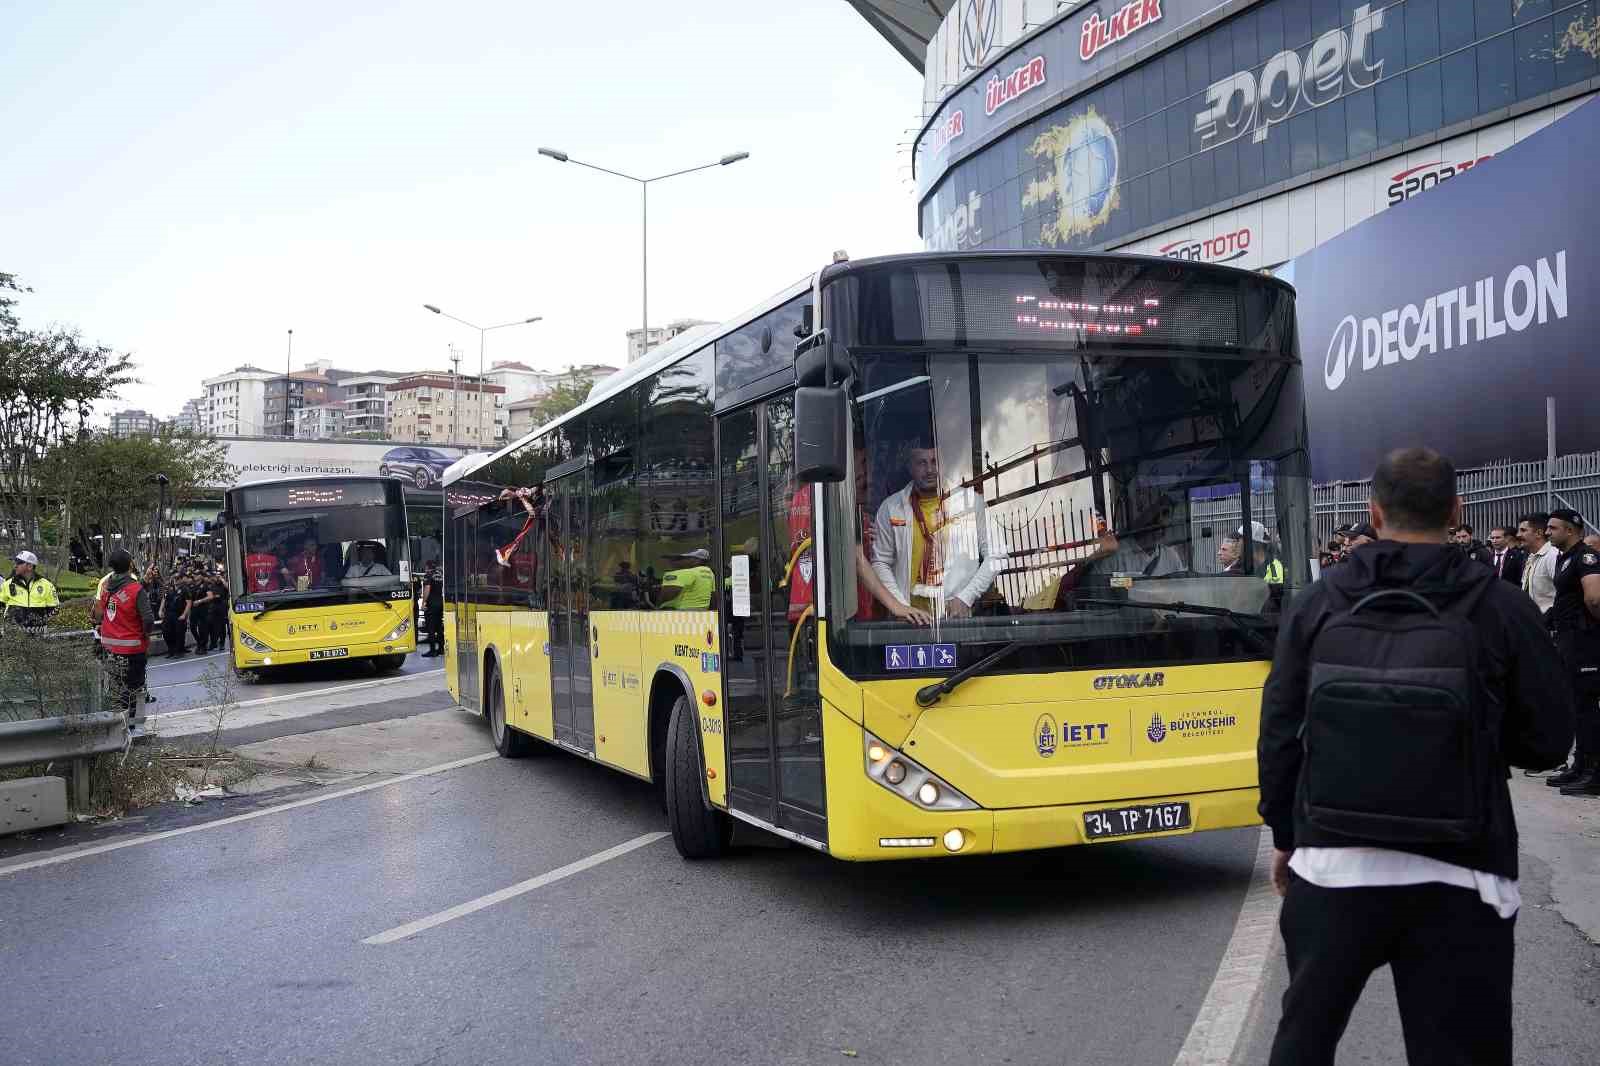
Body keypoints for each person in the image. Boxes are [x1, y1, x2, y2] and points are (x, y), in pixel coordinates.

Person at [1258, 448, 1573, 1066]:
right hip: (1464, 870)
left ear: (1373, 513)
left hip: (1332, 863)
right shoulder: (1500, 606)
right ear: (1456, 511)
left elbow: (1279, 730)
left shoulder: (1318, 603)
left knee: (1303, 1043)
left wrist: (1286, 834)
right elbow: (1546, 741)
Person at [871, 438, 995, 619]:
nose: (930, 469)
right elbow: (880, 562)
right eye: (921, 463)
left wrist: (966, 597)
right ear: (910, 467)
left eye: (934, 461)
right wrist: (901, 606)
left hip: (957, 619)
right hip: (908, 621)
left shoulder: (970, 503)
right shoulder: (890, 508)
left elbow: (996, 555)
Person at [1544, 508, 1600, 798]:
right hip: (1569, 640)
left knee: (1587, 704)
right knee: (1577, 704)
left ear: (1569, 530)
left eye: (1553, 528)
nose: (1547, 532)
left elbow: (1595, 598)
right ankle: (1581, 765)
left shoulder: (1585, 557)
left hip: (1585, 641)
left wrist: (1591, 629)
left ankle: (1595, 772)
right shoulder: (1564, 558)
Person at [96, 548, 156, 727]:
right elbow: (148, 619)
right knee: (134, 688)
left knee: (117, 688)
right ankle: (131, 726)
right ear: (130, 564)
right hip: (133, 649)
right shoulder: (135, 589)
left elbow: (102, 612)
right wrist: (145, 634)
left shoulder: (106, 587)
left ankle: (118, 724)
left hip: (110, 649)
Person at [1, 551, 61, 630]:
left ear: (30, 566)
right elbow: (1, 605)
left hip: (37, 634)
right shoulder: (7, 584)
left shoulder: (47, 585)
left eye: (19, 563)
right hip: (12, 633)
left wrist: (39, 622)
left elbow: (54, 609)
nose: (15, 566)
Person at [1518, 512, 1558, 617]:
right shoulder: (1531, 557)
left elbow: (1563, 593)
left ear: (1539, 533)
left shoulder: (1552, 556)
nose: (1518, 535)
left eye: (1523, 530)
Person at [159, 571, 191, 657]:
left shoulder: (184, 589)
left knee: (179, 633)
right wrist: (160, 610)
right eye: (174, 579)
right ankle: (171, 650)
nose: (175, 580)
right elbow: (164, 599)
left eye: (177, 579)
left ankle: (179, 651)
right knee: (166, 632)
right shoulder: (169, 589)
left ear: (181, 580)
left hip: (178, 613)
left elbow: (188, 603)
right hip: (168, 614)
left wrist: (184, 615)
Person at [421, 562, 444, 656]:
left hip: (431, 604)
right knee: (439, 627)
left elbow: (427, 588)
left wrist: (423, 602)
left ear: (427, 567)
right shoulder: (440, 575)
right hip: (440, 602)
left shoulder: (428, 575)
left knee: (430, 627)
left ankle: (432, 650)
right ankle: (441, 649)